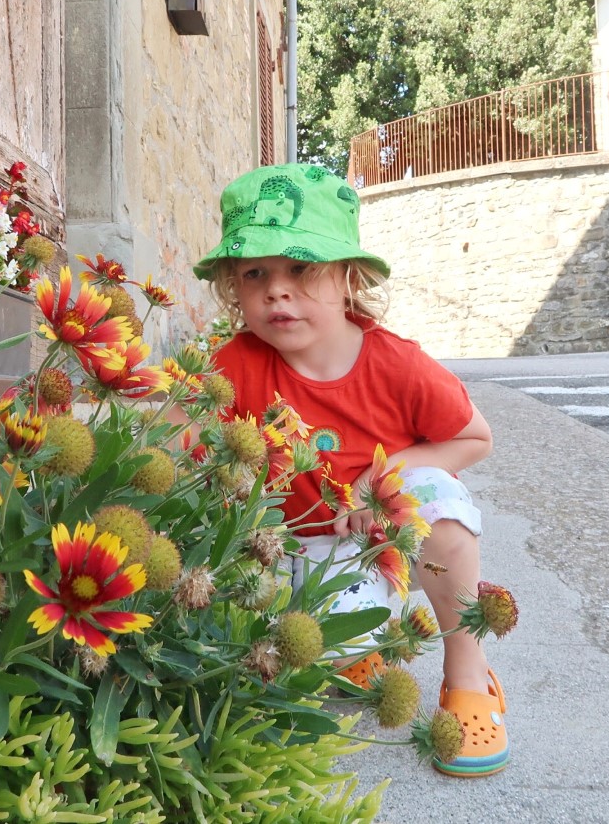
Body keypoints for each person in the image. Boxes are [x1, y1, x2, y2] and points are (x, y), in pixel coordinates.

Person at [193, 162, 508, 778]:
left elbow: (474, 438)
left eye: (301, 269)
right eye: (255, 272)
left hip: (378, 543)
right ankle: (356, 649)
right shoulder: (233, 362)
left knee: (435, 496)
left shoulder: (399, 365)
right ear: (234, 285)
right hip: (282, 555)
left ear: (347, 280)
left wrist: (379, 478)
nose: (276, 290)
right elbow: (184, 432)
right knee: (308, 655)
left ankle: (468, 673)